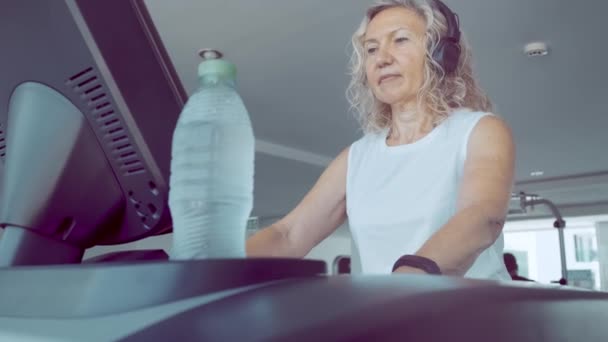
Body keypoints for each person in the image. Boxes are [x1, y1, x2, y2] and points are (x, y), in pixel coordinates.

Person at [247, 0, 515, 280]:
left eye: (399, 40)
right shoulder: (357, 156)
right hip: (387, 317)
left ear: (439, 53)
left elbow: (482, 216)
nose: (381, 58)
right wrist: (215, 268)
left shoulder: (480, 130)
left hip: (471, 319)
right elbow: (289, 234)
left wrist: (407, 278)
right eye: (371, 49)